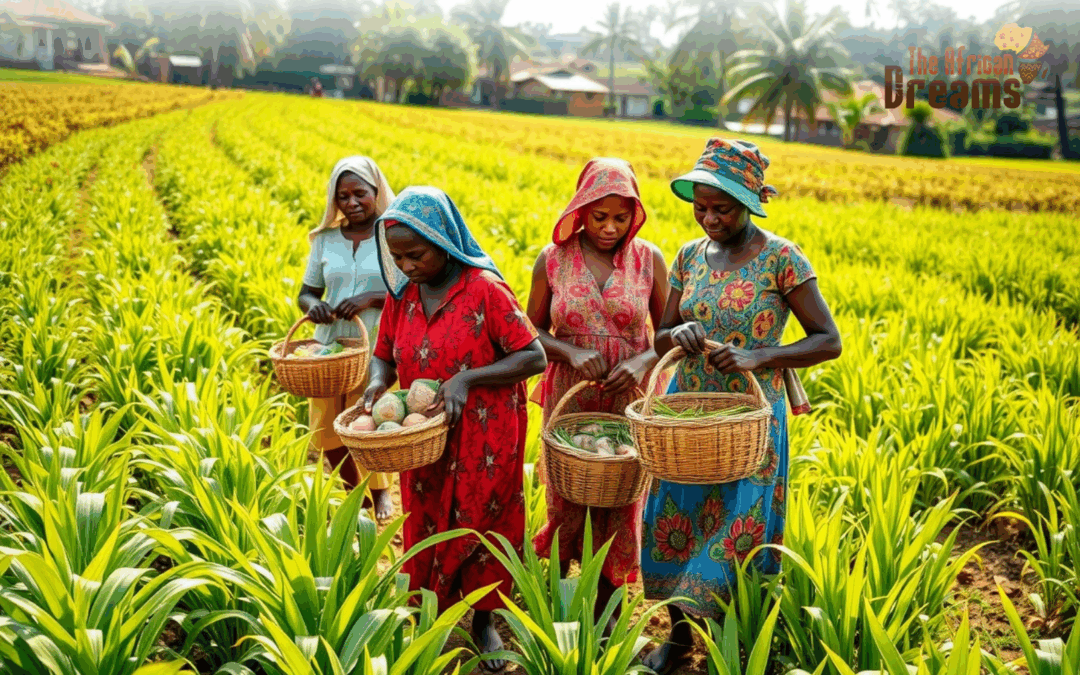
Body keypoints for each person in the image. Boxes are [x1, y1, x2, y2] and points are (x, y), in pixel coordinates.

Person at [641, 138, 842, 674]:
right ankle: (679, 638)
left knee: (737, 533)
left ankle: (734, 645)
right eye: (701, 207)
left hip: (751, 421)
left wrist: (759, 356)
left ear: (750, 203)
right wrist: (676, 333)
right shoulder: (688, 256)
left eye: (722, 209)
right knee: (675, 523)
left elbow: (828, 340)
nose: (709, 218)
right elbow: (660, 336)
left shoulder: (782, 258)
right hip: (686, 417)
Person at [361, 186, 547, 672]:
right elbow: (383, 354)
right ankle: (433, 611)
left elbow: (533, 356)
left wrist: (467, 379)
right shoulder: (404, 296)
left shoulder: (484, 289)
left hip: (485, 436)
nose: (407, 266)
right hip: (424, 440)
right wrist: (377, 384)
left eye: (416, 255)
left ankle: (484, 620)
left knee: (484, 523)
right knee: (425, 519)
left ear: (443, 241)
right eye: (397, 257)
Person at [527, 158, 669, 633]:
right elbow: (529, 330)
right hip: (571, 396)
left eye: (621, 218)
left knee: (622, 500)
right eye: (599, 216)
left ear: (635, 215)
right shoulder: (552, 260)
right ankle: (559, 597)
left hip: (630, 398)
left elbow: (668, 332)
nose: (610, 228)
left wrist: (642, 362)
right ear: (581, 209)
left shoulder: (649, 259)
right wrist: (568, 350)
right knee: (567, 497)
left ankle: (605, 610)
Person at [298, 157, 397, 521]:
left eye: (360, 193)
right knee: (326, 426)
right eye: (343, 196)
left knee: (369, 422)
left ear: (376, 191)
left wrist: (370, 298)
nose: (352, 203)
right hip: (330, 347)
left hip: (377, 345)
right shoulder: (325, 240)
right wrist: (315, 307)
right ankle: (353, 492)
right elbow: (307, 293)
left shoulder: (393, 235)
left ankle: (381, 492)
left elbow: (411, 291)